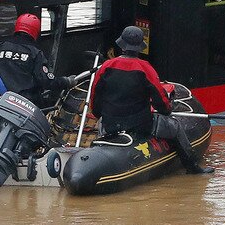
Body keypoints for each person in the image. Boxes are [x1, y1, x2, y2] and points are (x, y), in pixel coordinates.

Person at [88, 26, 212, 174]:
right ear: (139, 47)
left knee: (102, 123)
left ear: (121, 45)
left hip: (109, 123)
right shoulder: (145, 68)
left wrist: (99, 114)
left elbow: (95, 95)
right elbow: (161, 101)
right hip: (140, 124)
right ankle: (192, 167)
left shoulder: (106, 66)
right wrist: (167, 111)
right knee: (175, 127)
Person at [0, 14, 60, 109]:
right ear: (35, 31)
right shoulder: (35, 54)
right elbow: (45, 81)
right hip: (26, 105)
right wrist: (65, 82)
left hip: (0, 101)